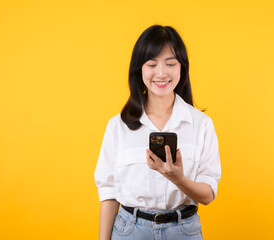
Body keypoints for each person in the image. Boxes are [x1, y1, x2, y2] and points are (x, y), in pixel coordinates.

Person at [94, 25, 221, 240]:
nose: (161, 73)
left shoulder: (201, 124)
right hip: (129, 231)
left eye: (170, 64)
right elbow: (108, 193)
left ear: (182, 68)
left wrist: (178, 179)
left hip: (183, 231)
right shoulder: (118, 125)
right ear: (139, 70)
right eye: (152, 64)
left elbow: (208, 195)